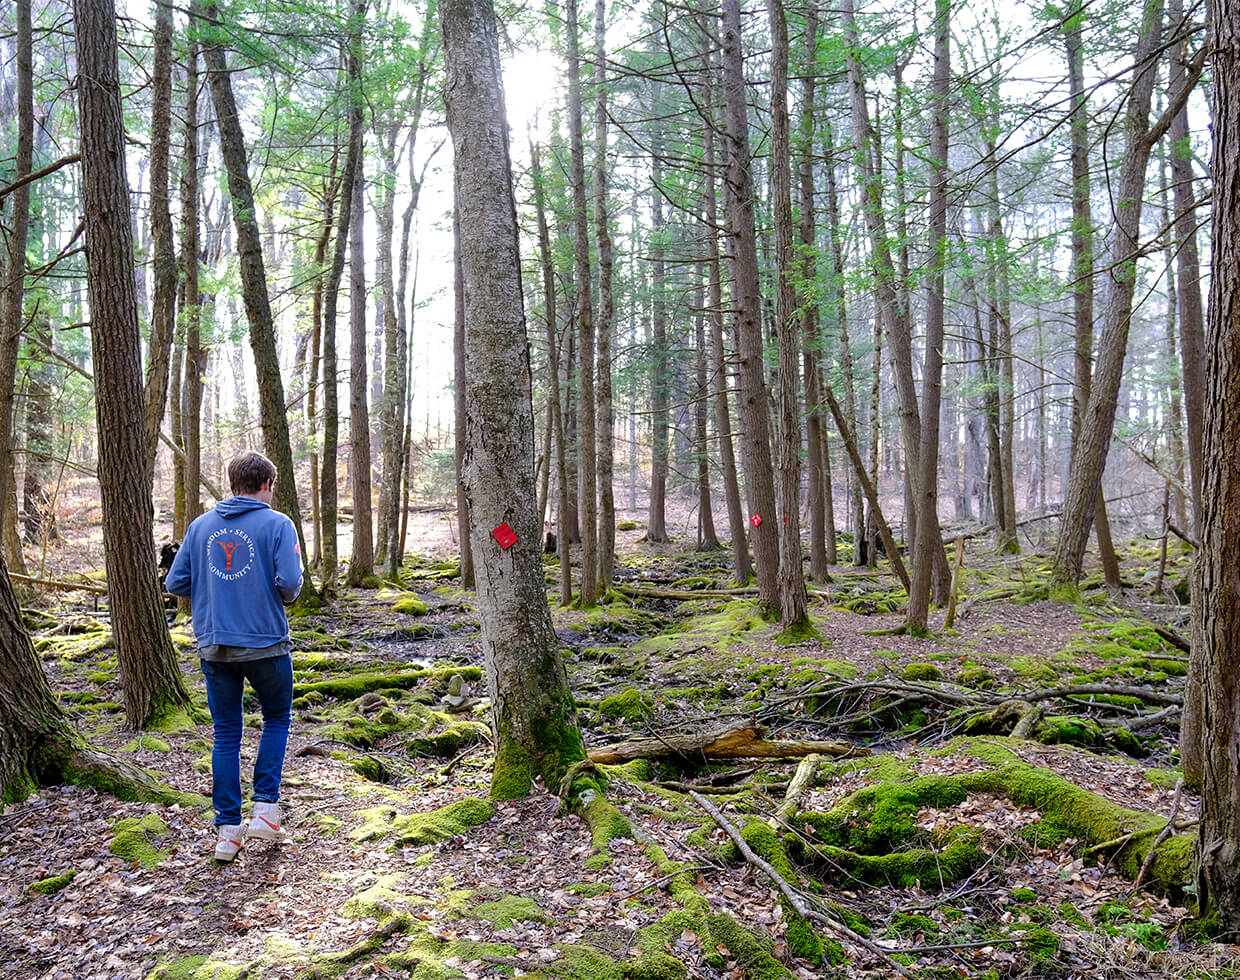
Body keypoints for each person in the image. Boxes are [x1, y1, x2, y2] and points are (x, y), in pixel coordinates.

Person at [166, 450, 303, 862]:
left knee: (227, 732)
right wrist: (271, 596)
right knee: (277, 717)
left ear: (232, 483)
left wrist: (216, 594)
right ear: (267, 485)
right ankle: (265, 809)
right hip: (266, 642)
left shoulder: (200, 526)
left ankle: (228, 832)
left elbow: (176, 581)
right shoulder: (278, 524)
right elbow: (292, 583)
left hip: (215, 644)